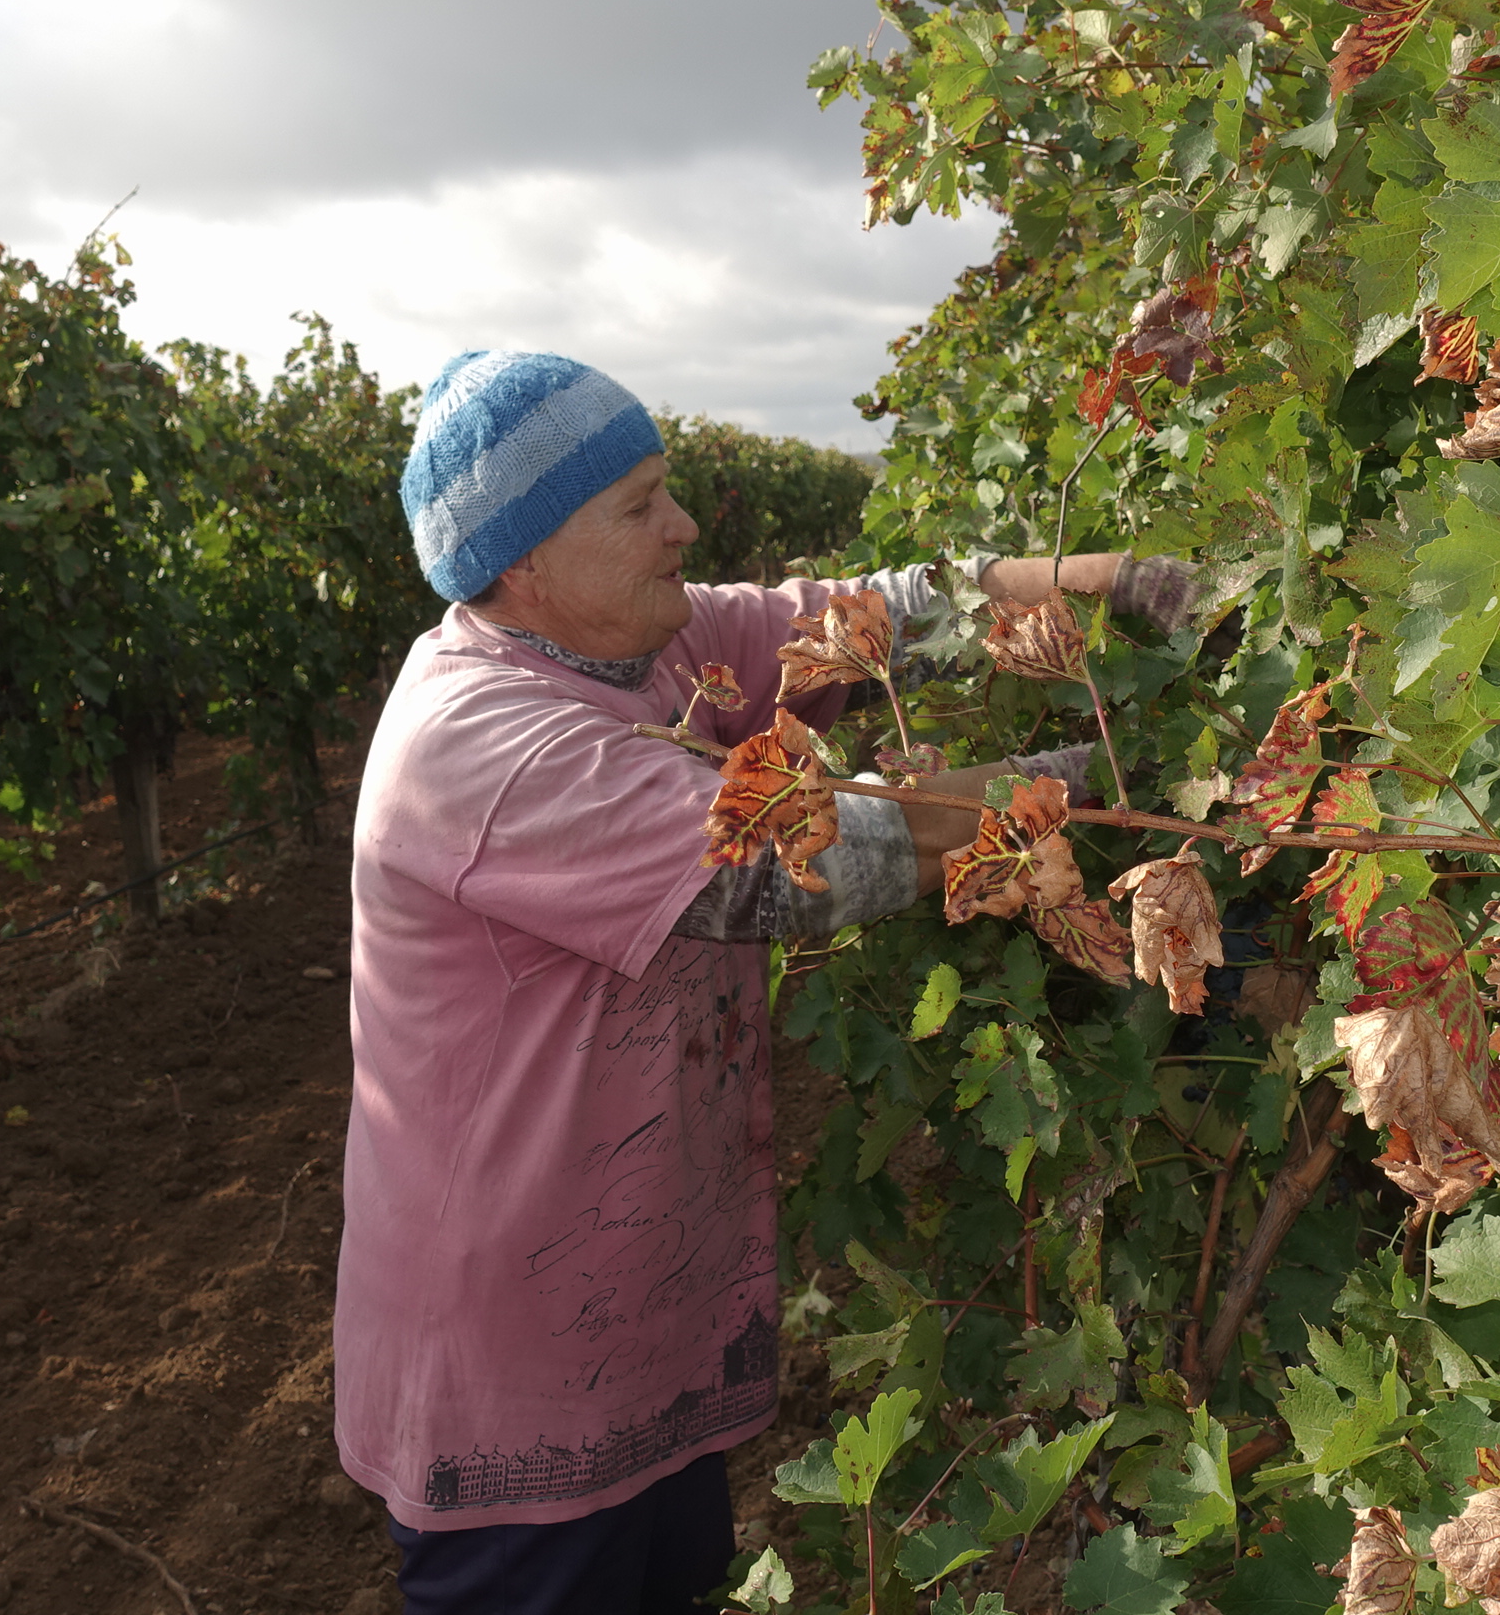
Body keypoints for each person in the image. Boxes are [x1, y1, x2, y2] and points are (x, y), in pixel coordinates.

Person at [333, 350, 1198, 1615]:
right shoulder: (480, 745)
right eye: (638, 507)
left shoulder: (652, 648)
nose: (683, 526)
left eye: (667, 489)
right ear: (522, 565)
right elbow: (799, 866)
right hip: (511, 1351)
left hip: (637, 1312)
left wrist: (1106, 583)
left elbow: (878, 614)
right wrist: (1109, 781)